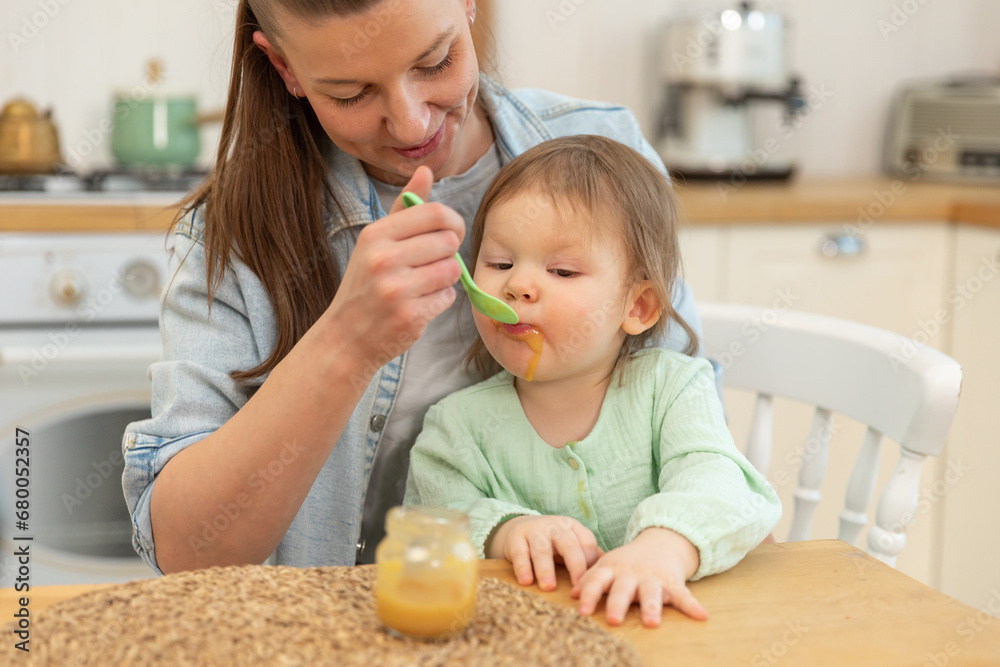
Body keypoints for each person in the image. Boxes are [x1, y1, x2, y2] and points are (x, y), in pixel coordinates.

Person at [122, 0, 703, 576]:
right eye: (351, 94)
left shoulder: (604, 149)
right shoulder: (230, 235)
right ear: (285, 68)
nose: (411, 125)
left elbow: (692, 445)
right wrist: (346, 343)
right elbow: (189, 553)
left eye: (436, 62)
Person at [403, 135, 781, 628]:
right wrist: (505, 532)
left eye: (561, 270)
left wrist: (663, 549)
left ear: (638, 306)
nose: (518, 285)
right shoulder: (457, 426)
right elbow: (424, 526)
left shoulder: (673, 389)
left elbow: (719, 482)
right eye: (499, 264)